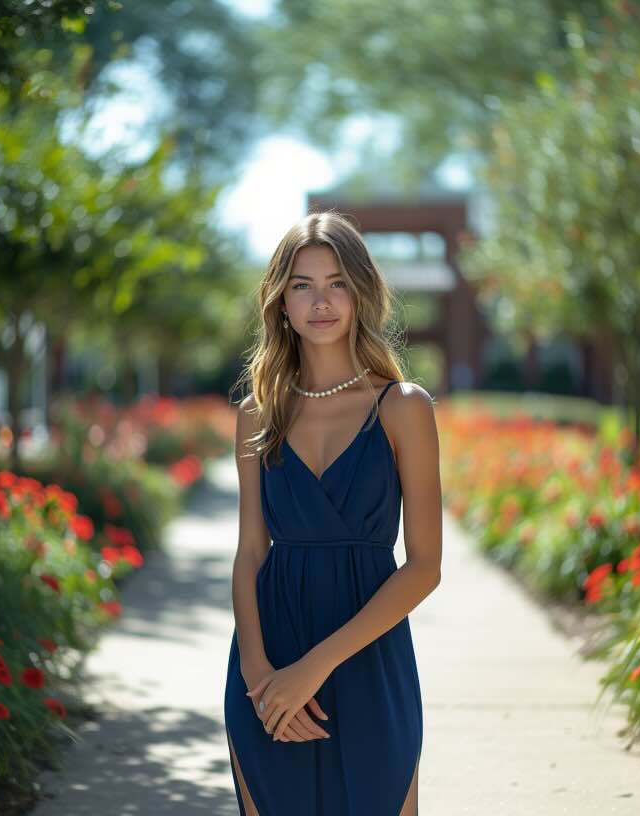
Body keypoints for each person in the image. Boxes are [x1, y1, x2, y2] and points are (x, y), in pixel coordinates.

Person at [223, 211, 443, 815]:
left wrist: (312, 670)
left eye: (337, 282)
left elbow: (425, 567)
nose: (321, 301)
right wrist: (259, 677)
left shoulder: (402, 408)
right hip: (269, 667)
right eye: (302, 285)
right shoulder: (256, 413)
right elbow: (250, 552)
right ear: (281, 303)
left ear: (361, 293)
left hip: (369, 662)